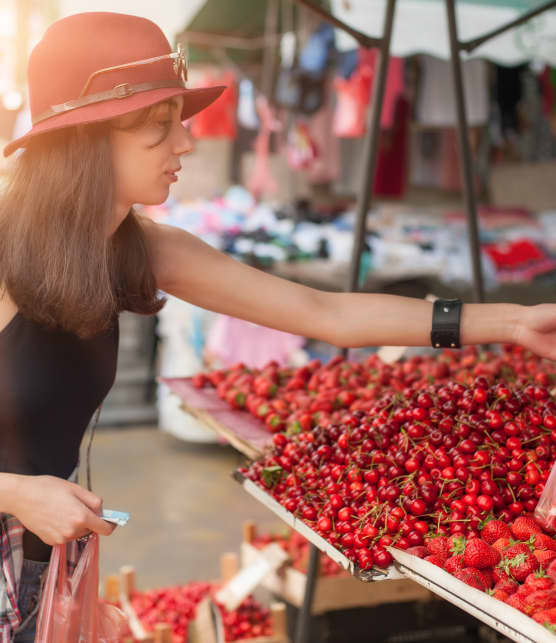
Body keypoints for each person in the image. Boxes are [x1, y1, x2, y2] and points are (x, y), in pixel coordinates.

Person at [1, 11, 556, 642]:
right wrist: (15, 492)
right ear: (87, 139)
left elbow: (325, 314)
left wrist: (511, 321)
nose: (186, 144)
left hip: (41, 557)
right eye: (159, 130)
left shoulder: (138, 248)